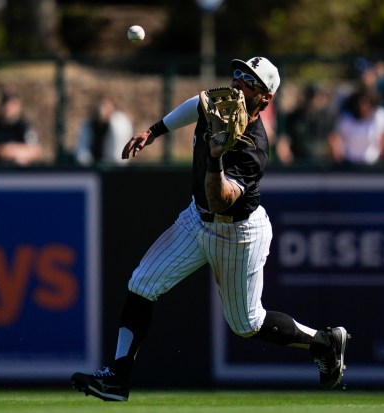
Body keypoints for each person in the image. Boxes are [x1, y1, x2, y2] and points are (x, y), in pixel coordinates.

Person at [71, 57, 349, 401]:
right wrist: (154, 131)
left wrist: (216, 156)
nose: (237, 83)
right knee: (142, 283)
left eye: (249, 81)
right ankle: (117, 378)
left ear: (266, 98)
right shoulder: (219, 105)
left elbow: (222, 201)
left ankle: (324, 342)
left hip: (237, 232)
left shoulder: (254, 147)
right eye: (238, 74)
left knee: (246, 324)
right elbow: (196, 103)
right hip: (196, 217)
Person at [0, 91, 41, 165]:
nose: (7, 108)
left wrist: (11, 151)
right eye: (5, 104)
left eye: (11, 105)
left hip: (17, 171)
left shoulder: (24, 126)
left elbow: (34, 151)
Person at [328, 85, 384, 165]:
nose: (363, 106)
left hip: (373, 164)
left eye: (366, 102)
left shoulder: (380, 116)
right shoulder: (346, 118)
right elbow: (337, 140)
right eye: (361, 102)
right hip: (349, 164)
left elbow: (383, 141)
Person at [275, 84, 336, 165]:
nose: (314, 102)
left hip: (321, 163)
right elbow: (284, 142)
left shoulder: (326, 117)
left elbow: (333, 141)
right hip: (298, 163)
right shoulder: (293, 117)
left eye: (317, 98)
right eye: (311, 98)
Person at [74, 95, 133, 166]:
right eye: (100, 106)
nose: (101, 109)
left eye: (105, 106)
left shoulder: (118, 123)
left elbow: (118, 156)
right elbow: (82, 152)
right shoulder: (89, 126)